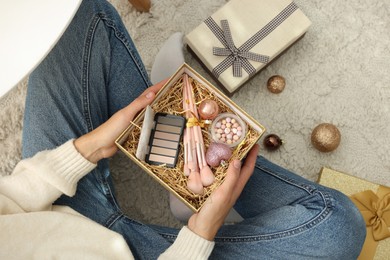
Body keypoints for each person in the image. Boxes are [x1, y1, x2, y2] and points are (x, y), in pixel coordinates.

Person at [0, 0, 366, 259]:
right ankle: (193, 178)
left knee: (82, 16)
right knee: (338, 227)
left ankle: (171, 130)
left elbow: (7, 206)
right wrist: (199, 235)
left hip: (50, 209)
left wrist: (87, 149)